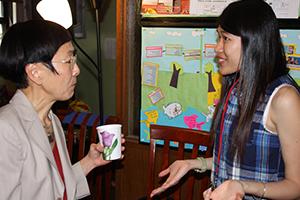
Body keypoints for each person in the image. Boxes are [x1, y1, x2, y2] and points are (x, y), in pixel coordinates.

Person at [150, 0, 300, 199]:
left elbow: (296, 186)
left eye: (226, 39)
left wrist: (242, 187)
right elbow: (235, 163)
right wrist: (194, 164)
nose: (217, 48)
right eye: (218, 38)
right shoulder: (236, 87)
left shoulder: (284, 99)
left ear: (253, 40)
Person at [0, 20, 125, 200]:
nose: (76, 70)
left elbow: (56, 187)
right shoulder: (6, 128)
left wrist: (90, 162)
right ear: (35, 72)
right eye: (68, 61)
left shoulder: (52, 120)